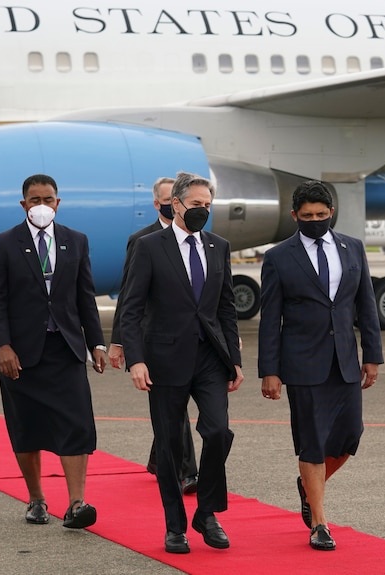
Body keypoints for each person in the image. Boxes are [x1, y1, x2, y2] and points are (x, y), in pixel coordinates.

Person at [119, 171, 243, 554]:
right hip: (164, 360)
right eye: (196, 205)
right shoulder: (149, 246)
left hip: (209, 357)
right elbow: (131, 307)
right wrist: (135, 359)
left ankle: (206, 513)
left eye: (208, 205)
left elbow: (226, 307)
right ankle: (175, 527)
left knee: (219, 432)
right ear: (175, 205)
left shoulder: (218, 246)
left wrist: (234, 360)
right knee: (171, 449)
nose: (203, 211)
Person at [257, 180, 383, 552]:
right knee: (312, 442)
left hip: (344, 360)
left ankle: (307, 486)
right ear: (295, 216)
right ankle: (319, 523)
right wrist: (270, 369)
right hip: (302, 363)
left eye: (321, 214)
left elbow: (366, 306)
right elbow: (270, 319)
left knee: (349, 437)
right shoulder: (279, 256)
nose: (315, 220)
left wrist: (372, 355)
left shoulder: (353, 248)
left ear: (331, 213)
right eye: (307, 216)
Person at [0, 174, 108, 529]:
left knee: (77, 424)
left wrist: (95, 342)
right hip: (20, 354)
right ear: (23, 204)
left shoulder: (76, 241)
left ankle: (76, 503)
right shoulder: (5, 244)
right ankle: (36, 499)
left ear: (58, 202)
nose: (41, 205)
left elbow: (86, 296)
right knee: (27, 426)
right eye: (34, 199)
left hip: (65, 348)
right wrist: (2, 346)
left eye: (48, 198)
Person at [109, 176, 198, 495]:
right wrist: (119, 341)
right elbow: (129, 295)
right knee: (175, 408)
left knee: (171, 408)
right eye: (165, 198)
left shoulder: (200, 238)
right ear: (159, 202)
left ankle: (159, 461)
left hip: (193, 339)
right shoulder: (142, 240)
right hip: (156, 340)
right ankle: (189, 471)